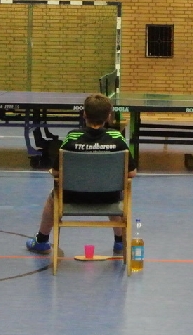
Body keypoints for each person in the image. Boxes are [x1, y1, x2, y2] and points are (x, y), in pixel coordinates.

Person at [25, 93, 136, 255]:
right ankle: (120, 242)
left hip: (72, 196)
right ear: (108, 116)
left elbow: (56, 171)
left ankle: (41, 241)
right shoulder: (117, 138)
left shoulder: (72, 137)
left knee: (53, 197)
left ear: (84, 114)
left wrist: (53, 172)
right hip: (108, 197)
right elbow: (131, 173)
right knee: (118, 194)